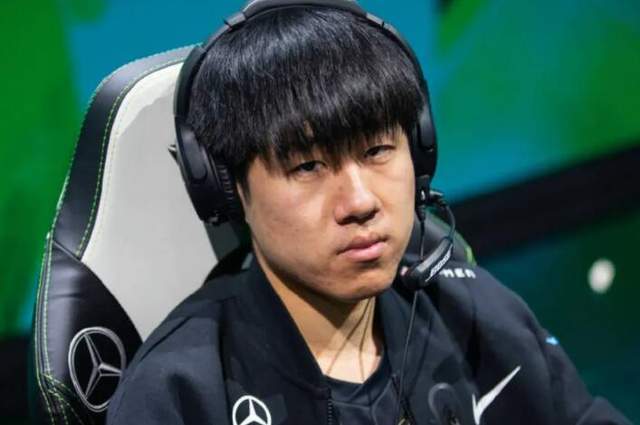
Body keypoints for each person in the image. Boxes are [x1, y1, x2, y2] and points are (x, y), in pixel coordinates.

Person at [106, 1, 631, 424]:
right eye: (308, 166)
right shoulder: (180, 393)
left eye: (377, 151)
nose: (359, 202)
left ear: (418, 148)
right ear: (228, 188)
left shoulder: (467, 308)